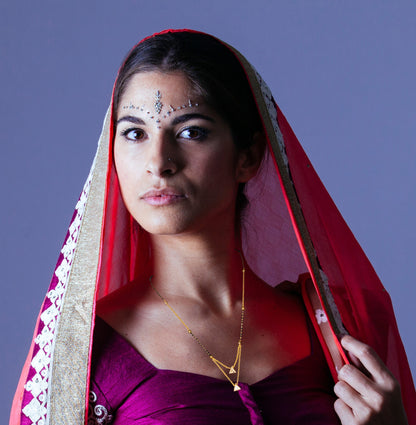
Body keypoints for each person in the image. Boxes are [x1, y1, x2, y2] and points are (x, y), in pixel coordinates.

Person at [10, 29, 414, 425]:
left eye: (191, 132)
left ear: (248, 156)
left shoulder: (344, 327)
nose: (159, 162)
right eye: (134, 133)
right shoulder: (81, 353)